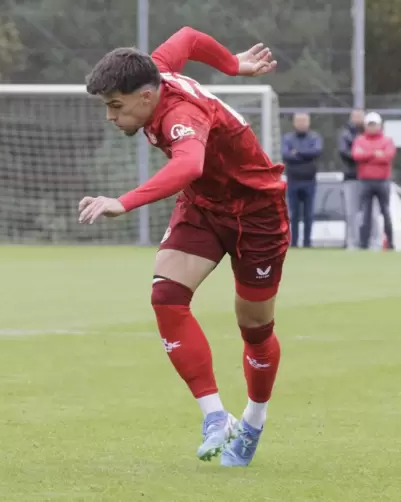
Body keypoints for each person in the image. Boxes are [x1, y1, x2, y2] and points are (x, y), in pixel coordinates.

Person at [78, 27, 285, 467]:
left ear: (148, 96)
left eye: (116, 106)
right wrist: (233, 65)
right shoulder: (153, 68)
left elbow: (189, 164)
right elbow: (189, 37)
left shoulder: (180, 116)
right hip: (205, 208)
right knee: (166, 296)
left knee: (255, 329)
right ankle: (216, 418)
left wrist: (124, 201)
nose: (111, 117)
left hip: (256, 214)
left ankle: (253, 419)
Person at [353, 111, 397, 250]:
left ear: (379, 125)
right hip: (365, 181)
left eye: (374, 124)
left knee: (386, 212)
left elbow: (387, 156)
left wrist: (367, 155)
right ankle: (363, 244)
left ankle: (390, 243)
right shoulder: (359, 140)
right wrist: (375, 153)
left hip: (382, 181)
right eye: (369, 124)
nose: (372, 127)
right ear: (366, 126)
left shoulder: (387, 140)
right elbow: (356, 155)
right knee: (365, 213)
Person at [282, 112, 323, 247]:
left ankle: (307, 243)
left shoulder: (314, 137)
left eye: (304, 121)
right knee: (293, 214)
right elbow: (286, 155)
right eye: (298, 121)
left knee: (308, 215)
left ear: (309, 122)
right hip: (293, 180)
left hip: (309, 181)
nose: (301, 123)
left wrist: (297, 152)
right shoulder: (288, 138)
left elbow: (316, 152)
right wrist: (305, 154)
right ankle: (293, 243)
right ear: (294, 123)